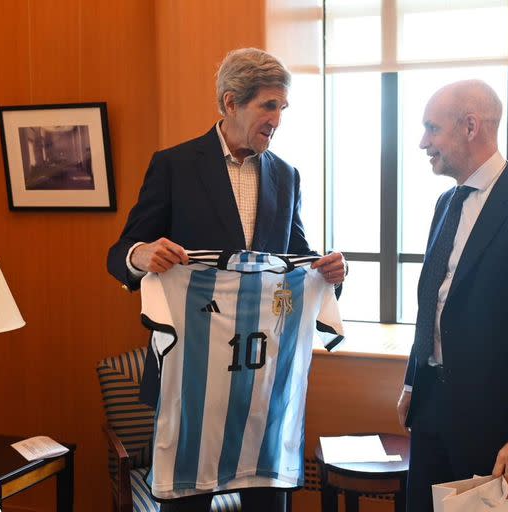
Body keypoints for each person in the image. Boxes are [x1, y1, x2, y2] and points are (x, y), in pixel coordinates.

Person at [107, 47, 346, 512]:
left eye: (282, 107)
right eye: (269, 106)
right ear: (231, 102)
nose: (278, 118)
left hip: (263, 378)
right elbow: (120, 254)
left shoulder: (287, 176)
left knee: (267, 506)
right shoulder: (173, 165)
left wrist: (329, 271)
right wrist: (143, 254)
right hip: (190, 376)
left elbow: (296, 260)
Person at [396, 80, 508, 512]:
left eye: (432, 128)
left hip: (497, 423)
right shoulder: (445, 204)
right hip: (431, 409)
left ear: (470, 126)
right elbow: (433, 303)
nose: (423, 142)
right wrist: (412, 382)